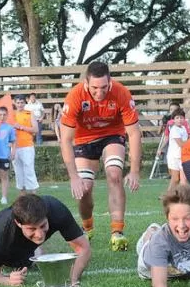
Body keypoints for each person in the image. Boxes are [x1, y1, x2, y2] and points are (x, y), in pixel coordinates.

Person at [59, 61, 141, 251]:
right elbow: (65, 140)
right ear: (86, 83)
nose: (99, 92)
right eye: (95, 88)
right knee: (85, 189)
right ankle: (87, 227)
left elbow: (134, 133)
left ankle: (117, 232)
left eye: (104, 87)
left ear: (110, 81)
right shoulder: (75, 96)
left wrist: (135, 170)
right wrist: (73, 177)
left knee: (114, 173)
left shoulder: (121, 92)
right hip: (83, 140)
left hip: (112, 135)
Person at [0, 194, 91, 287]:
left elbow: (83, 248)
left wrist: (72, 279)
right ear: (18, 224)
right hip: (13, 250)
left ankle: (38, 250)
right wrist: (8, 281)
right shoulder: (0, 233)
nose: (39, 234)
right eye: (32, 228)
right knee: (23, 263)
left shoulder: (56, 209)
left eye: (43, 226)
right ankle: (36, 253)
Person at [12, 95, 39, 196]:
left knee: (29, 169)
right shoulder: (11, 115)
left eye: (22, 102)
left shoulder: (29, 113)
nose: (20, 104)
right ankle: (22, 195)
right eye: (18, 102)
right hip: (14, 146)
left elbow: (36, 129)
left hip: (27, 145)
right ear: (14, 103)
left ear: (25, 103)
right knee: (18, 171)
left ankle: (33, 194)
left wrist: (22, 127)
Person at [166, 108, 188, 193]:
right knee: (175, 178)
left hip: (181, 156)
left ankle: (177, 195)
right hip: (174, 156)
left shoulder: (183, 128)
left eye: (181, 118)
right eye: (177, 118)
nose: (179, 120)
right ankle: (168, 195)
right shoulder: (174, 129)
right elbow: (181, 144)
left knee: (182, 178)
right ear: (173, 119)